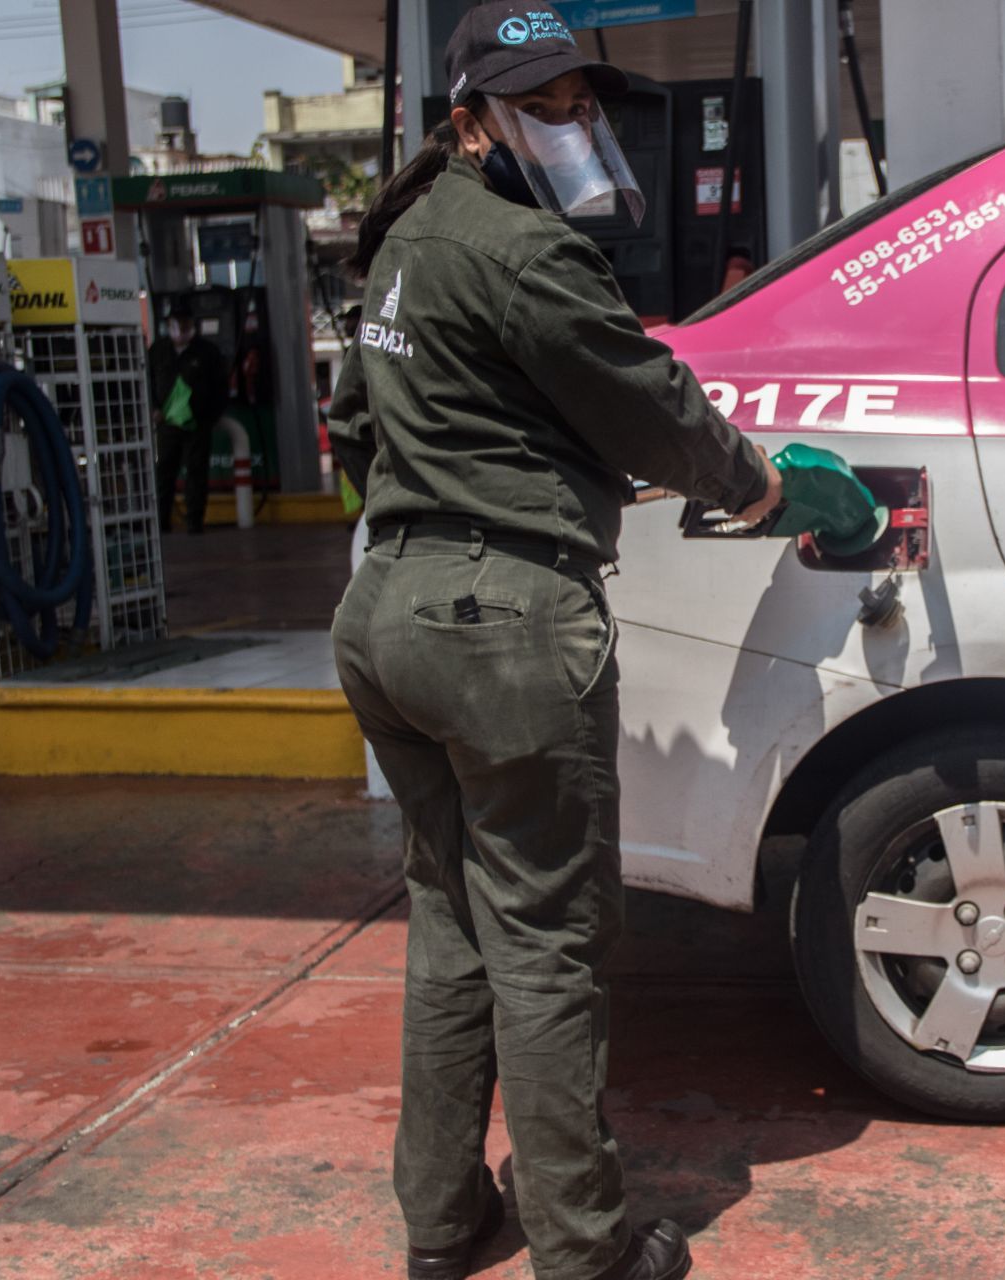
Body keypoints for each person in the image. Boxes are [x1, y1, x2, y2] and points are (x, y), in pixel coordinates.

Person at [326, 5, 782, 1279]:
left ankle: (441, 1219)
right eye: (548, 105)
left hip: (388, 610)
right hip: (505, 624)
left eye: (584, 103)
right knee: (548, 934)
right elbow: (652, 409)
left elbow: (358, 419)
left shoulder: (402, 246)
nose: (576, 125)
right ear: (473, 117)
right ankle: (584, 1246)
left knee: (450, 920)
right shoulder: (531, 252)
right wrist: (759, 489)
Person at [151, 295, 229, 534]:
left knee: (196, 472)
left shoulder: (206, 352)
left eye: (184, 321)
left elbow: (219, 386)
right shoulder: (158, 351)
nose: (180, 327)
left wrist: (210, 416)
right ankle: (161, 521)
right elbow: (147, 382)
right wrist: (154, 408)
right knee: (165, 471)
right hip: (167, 423)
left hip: (197, 423)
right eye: (176, 321)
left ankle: (194, 520)